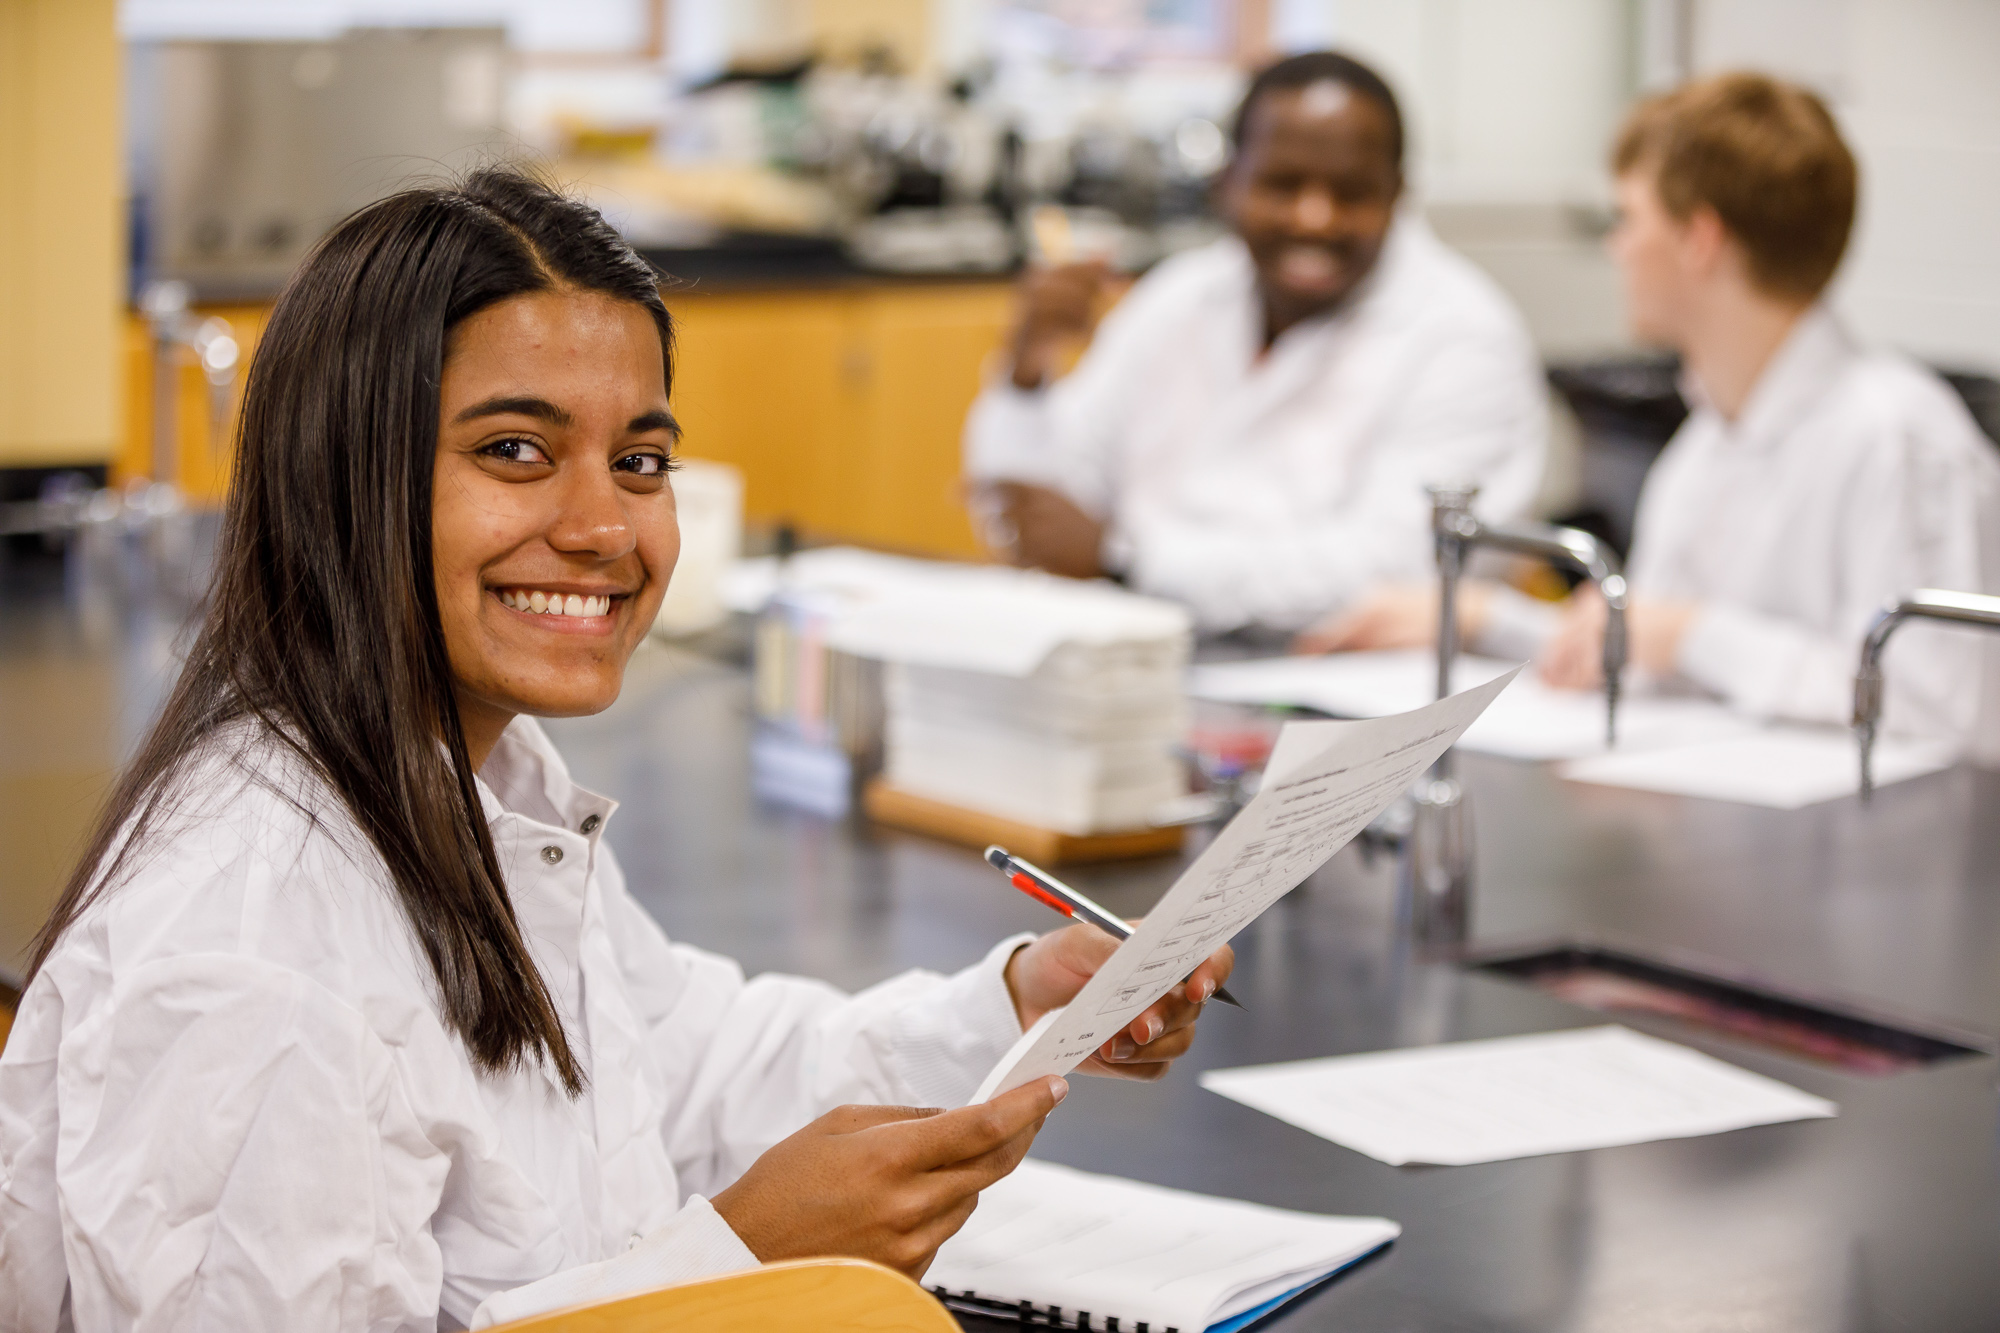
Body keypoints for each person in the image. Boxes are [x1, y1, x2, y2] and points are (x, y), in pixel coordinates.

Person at [0, 169, 1232, 1332]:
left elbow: (686, 1073)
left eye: (639, 462)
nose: (603, 527)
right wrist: (734, 1269)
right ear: (345, 478)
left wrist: (1012, 1004)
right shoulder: (256, 945)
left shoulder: (470, 787)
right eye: (515, 451)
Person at [1304, 72, 2000, 753]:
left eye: (1629, 219)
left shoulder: (1895, 436)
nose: (1617, 248)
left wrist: (1694, 632)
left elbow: (1933, 709)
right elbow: (1645, 650)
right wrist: (1481, 618)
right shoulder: (1708, 440)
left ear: (1700, 238)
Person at [962, 50, 1546, 636]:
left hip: (1353, 701)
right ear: (1229, 183)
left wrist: (1129, 560)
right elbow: (1034, 514)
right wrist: (1026, 370)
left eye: (1350, 191)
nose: (1314, 217)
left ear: (1397, 194)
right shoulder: (1178, 299)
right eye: (1282, 184)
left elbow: (1399, 574)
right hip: (1144, 658)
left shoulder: (1463, 336)